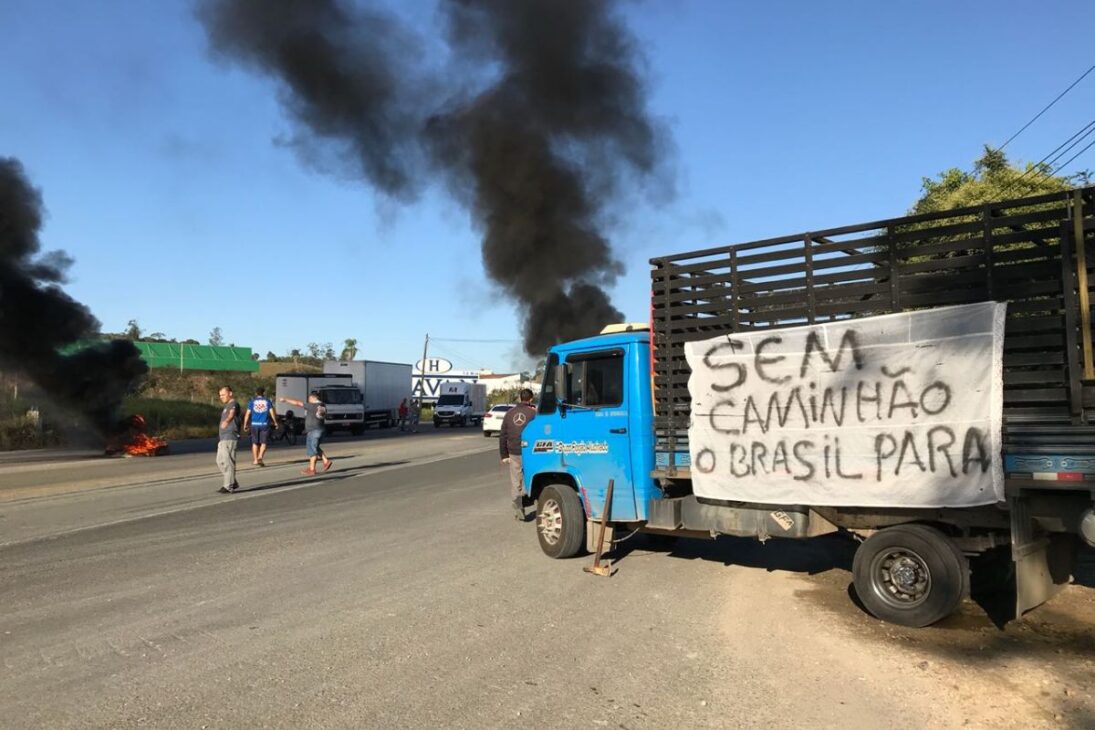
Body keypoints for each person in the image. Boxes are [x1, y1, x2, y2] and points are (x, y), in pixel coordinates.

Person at [499, 388, 537, 521]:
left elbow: (503, 435)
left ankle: (518, 505)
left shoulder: (509, 414)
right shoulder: (533, 413)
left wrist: (504, 455)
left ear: (520, 398)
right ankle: (529, 499)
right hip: (530, 452)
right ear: (531, 399)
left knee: (516, 481)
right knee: (531, 478)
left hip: (514, 452)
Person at [278, 391, 333, 476]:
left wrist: (285, 400)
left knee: (312, 450)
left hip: (313, 430)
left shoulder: (312, 406)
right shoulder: (323, 405)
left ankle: (312, 469)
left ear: (313, 397)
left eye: (309, 398)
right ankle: (326, 461)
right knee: (316, 447)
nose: (308, 400)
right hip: (321, 429)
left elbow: (297, 403)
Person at [243, 386, 279, 467]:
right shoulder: (267, 401)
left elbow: (247, 414)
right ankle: (260, 457)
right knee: (264, 442)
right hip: (265, 424)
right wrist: (275, 422)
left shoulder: (252, 402)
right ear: (264, 393)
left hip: (254, 424)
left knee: (255, 443)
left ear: (256, 393)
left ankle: (255, 460)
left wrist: (245, 424)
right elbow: (272, 413)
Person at [216, 386, 242, 493]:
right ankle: (233, 481)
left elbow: (231, 414)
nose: (221, 397)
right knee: (220, 461)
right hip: (223, 438)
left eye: (223, 394)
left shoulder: (233, 404)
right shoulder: (227, 405)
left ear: (230, 393)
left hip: (230, 436)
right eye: (220, 395)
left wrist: (227, 421)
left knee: (228, 462)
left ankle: (228, 486)